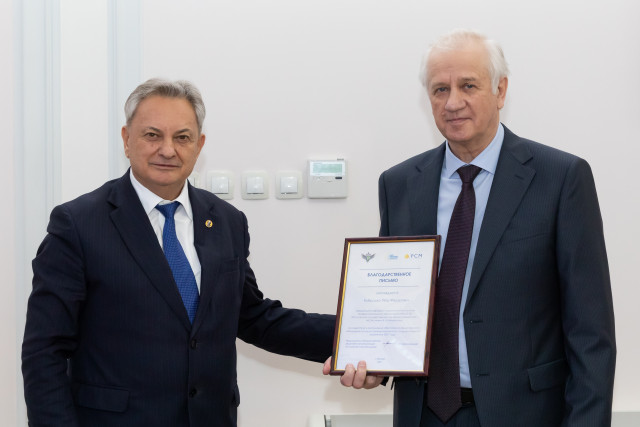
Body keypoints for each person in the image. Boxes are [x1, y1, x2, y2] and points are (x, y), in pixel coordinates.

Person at [324, 29, 616, 426]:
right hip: (422, 414)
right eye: (440, 89)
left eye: (468, 86)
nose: (453, 102)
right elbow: (396, 306)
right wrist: (377, 362)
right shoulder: (399, 184)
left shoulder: (561, 178)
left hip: (524, 415)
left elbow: (591, 333)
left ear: (500, 91)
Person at [22, 78, 335, 427]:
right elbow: (44, 351)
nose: (168, 150)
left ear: (199, 146)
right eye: (152, 135)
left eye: (182, 137)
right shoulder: (78, 224)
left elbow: (252, 317)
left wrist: (356, 335)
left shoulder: (227, 221)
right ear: (126, 139)